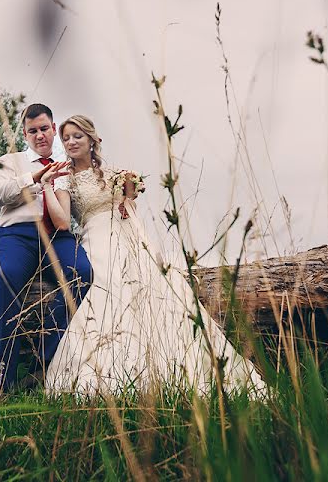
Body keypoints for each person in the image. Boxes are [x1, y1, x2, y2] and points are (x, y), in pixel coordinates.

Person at [43, 115, 265, 397]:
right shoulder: (65, 178)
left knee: (160, 295)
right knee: (108, 291)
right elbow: (62, 222)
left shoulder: (113, 173)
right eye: (66, 138)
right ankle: (111, 370)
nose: (71, 142)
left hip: (132, 236)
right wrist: (48, 189)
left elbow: (129, 203)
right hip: (97, 238)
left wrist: (127, 196)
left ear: (91, 140)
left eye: (77, 136)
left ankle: (172, 365)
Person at [0, 103, 93, 394]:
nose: (40, 135)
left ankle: (42, 367)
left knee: (82, 273)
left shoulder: (65, 167)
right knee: (4, 277)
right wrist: (31, 179)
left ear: (53, 129)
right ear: (25, 134)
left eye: (44, 129)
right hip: (18, 234)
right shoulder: (10, 161)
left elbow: (73, 212)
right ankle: (0, 382)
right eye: (32, 131)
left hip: (57, 238)